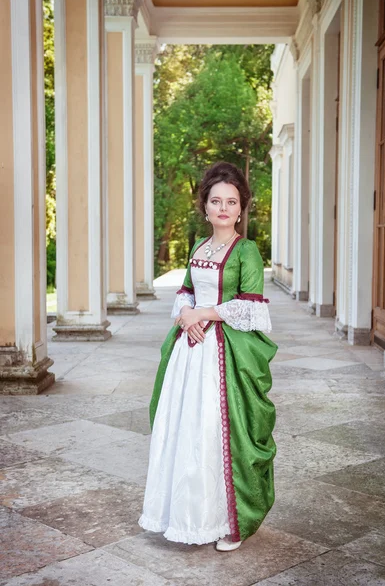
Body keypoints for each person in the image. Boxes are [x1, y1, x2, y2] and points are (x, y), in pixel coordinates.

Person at [139, 161, 278, 552]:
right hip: (189, 350)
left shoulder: (246, 251)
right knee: (186, 431)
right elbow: (185, 289)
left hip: (224, 355)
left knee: (217, 433)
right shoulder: (199, 247)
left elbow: (252, 307)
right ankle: (186, 517)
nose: (222, 208)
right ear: (205, 206)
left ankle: (228, 523)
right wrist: (186, 315)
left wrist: (204, 314)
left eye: (230, 201)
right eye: (216, 200)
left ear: (241, 208)